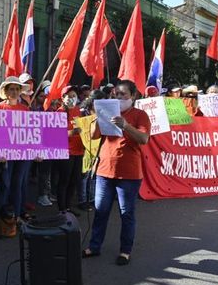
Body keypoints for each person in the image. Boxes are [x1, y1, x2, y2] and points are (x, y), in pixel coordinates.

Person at [83, 80, 151, 266]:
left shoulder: (140, 115)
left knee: (126, 213)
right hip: (105, 171)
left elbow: (144, 139)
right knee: (100, 211)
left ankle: (125, 251)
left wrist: (126, 126)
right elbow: (94, 136)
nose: (119, 98)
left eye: (123, 94)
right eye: (116, 94)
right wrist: (98, 117)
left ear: (133, 96)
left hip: (129, 174)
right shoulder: (108, 111)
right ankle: (94, 246)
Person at [0, 76, 31, 224]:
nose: (14, 92)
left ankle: (15, 216)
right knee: (5, 185)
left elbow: (31, 133)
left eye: (17, 89)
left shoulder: (25, 109)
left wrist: (36, 152)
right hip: (4, 155)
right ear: (6, 91)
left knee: (17, 184)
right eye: (11, 89)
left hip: (22, 155)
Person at [54, 86, 83, 215]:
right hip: (65, 152)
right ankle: (62, 209)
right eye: (69, 96)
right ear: (62, 98)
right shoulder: (59, 113)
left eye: (74, 96)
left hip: (78, 151)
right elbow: (54, 135)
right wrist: (72, 132)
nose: (71, 98)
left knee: (74, 180)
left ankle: (68, 206)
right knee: (64, 180)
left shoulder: (78, 111)